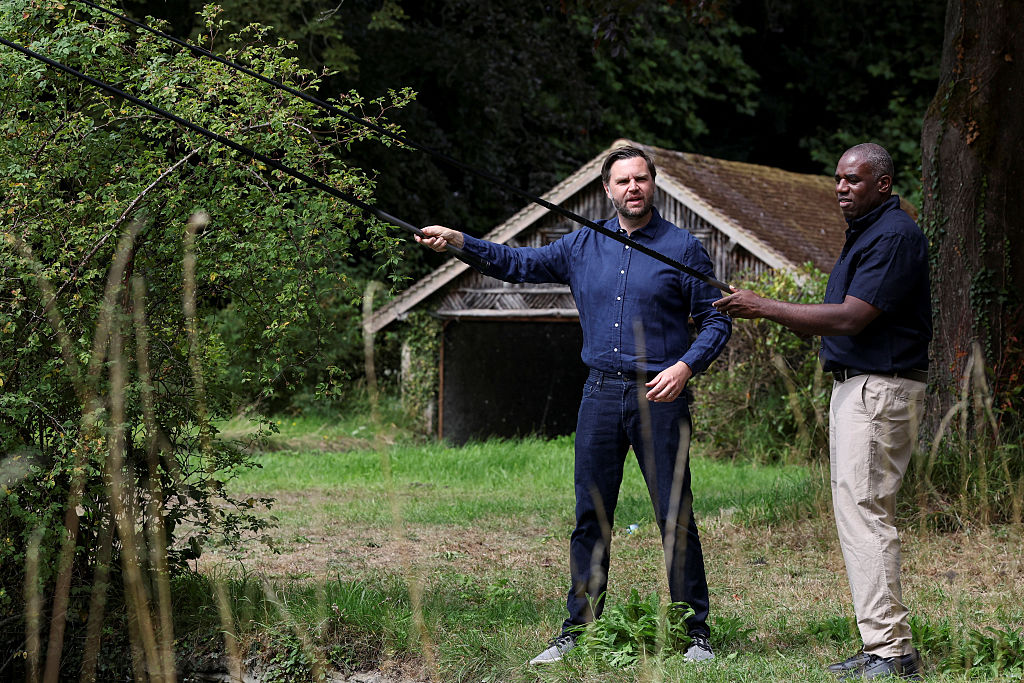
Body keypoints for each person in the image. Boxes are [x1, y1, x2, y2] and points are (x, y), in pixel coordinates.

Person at [417, 146, 731, 665]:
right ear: (607, 190)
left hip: (661, 394)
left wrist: (685, 367)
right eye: (623, 181)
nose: (633, 187)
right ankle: (579, 631)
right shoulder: (582, 243)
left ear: (654, 185)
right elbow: (518, 264)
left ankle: (694, 634)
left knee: (674, 516)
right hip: (601, 394)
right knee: (592, 516)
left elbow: (717, 320)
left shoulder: (683, 249)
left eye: (641, 179)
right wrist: (459, 242)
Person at [713, 142, 930, 680]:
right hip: (859, 389)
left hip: (879, 390)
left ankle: (892, 653)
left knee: (866, 512)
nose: (840, 187)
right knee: (858, 512)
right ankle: (880, 644)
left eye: (853, 179)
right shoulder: (869, 233)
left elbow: (849, 319)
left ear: (882, 183)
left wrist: (763, 307)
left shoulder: (895, 235)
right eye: (837, 178)